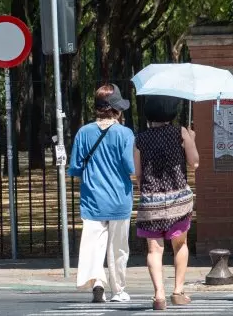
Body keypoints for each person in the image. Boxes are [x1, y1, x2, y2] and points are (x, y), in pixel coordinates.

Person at [68, 84, 135, 303]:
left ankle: (97, 282)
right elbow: (129, 166)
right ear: (116, 109)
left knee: (94, 246)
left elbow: (76, 167)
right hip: (119, 199)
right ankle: (118, 290)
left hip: (92, 199)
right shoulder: (125, 134)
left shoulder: (83, 132)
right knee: (118, 248)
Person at [133, 95, 199, 310]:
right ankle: (178, 291)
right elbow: (195, 162)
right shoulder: (180, 132)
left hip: (151, 201)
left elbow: (137, 173)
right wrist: (191, 139)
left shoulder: (140, 138)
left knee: (154, 250)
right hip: (178, 199)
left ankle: (158, 295)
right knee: (180, 244)